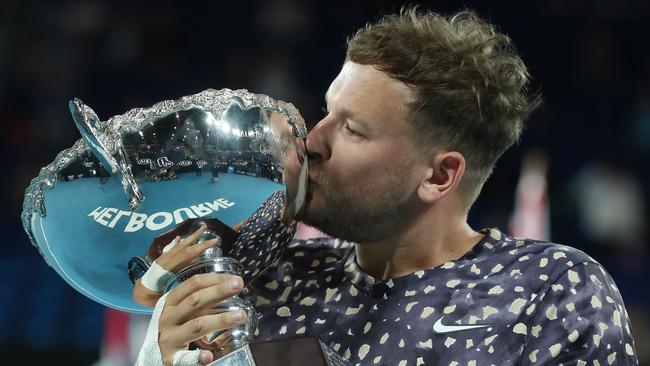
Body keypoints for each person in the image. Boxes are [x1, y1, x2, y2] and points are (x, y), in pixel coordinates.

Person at [136, 8, 639, 366]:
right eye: (328, 112)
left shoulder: (549, 289)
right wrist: (159, 355)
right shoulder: (265, 276)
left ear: (439, 176)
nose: (312, 141)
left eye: (353, 130)